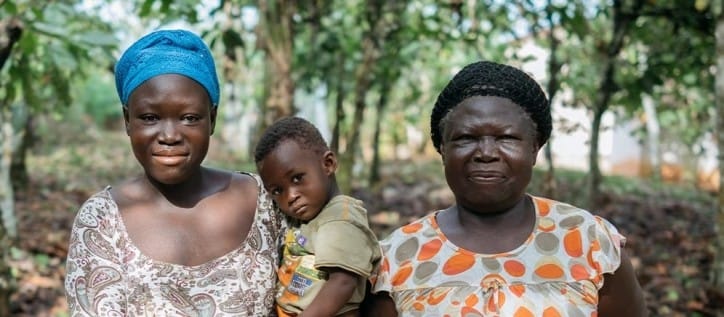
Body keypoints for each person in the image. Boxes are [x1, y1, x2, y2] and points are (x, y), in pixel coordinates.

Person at [367, 61, 647, 316]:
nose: (486, 153)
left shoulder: (590, 242)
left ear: (534, 149)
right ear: (443, 150)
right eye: (466, 138)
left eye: (507, 138)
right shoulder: (397, 257)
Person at [64, 29, 285, 316]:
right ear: (127, 120)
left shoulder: (263, 200)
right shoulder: (102, 221)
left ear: (212, 119)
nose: (169, 135)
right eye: (150, 118)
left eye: (189, 118)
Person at [254, 117, 381, 317]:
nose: (291, 196)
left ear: (328, 164)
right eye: (278, 190)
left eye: (297, 178)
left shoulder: (341, 218)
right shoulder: (306, 217)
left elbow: (343, 282)